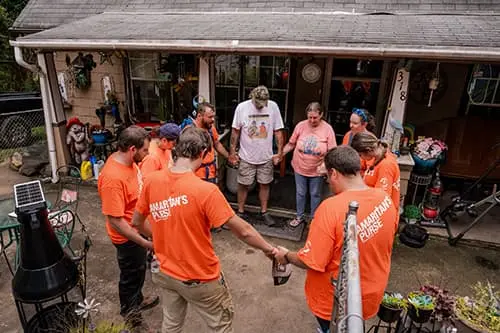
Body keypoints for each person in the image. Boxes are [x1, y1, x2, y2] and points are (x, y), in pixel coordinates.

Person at [131, 126, 277, 333]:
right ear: (202, 153)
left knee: (171, 325)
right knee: (221, 326)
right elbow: (243, 230)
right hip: (200, 277)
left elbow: (136, 222)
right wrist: (268, 249)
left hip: (165, 271)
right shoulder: (206, 191)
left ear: (178, 148)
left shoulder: (152, 181)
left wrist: (162, 239)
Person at [274, 146, 398, 333]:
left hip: (336, 301)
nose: (328, 183)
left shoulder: (331, 208)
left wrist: (286, 255)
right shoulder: (384, 199)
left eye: (326, 177)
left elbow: (312, 260)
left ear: (333, 174)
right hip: (371, 291)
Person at [97, 126, 159, 327]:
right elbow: (116, 221)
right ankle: (133, 319)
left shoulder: (129, 162)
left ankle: (138, 300)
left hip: (138, 230)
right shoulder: (112, 179)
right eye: (144, 151)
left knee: (139, 271)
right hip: (127, 239)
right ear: (132, 149)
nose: (147, 154)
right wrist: (144, 242)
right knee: (131, 277)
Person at [229, 86, 285, 226]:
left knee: (265, 184)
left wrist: (279, 153)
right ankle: (240, 211)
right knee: (243, 184)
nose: (261, 105)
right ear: (252, 97)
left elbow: (278, 132)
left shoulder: (273, 107)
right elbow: (235, 132)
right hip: (246, 155)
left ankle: (264, 212)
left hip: (266, 157)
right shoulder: (242, 108)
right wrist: (232, 152)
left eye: (263, 102)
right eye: (258, 102)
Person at [279, 102, 336, 228]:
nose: (312, 120)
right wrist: (280, 154)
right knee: (300, 192)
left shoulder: (327, 129)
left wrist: (326, 166)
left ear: (321, 115)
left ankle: (313, 218)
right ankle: (299, 216)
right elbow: (291, 144)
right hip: (300, 166)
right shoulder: (301, 126)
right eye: (309, 117)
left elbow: (332, 151)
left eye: (315, 117)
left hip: (317, 169)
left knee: (315, 193)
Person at [351, 131, 401, 217]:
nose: (360, 158)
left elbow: (381, 198)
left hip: (380, 215)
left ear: (368, 150)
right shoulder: (376, 158)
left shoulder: (386, 165)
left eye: (360, 155)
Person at [190, 102, 229, 183]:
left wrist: (229, 157)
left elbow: (217, 144)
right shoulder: (190, 131)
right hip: (197, 175)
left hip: (211, 172)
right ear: (199, 116)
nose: (213, 120)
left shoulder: (211, 128)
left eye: (213, 117)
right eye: (210, 117)